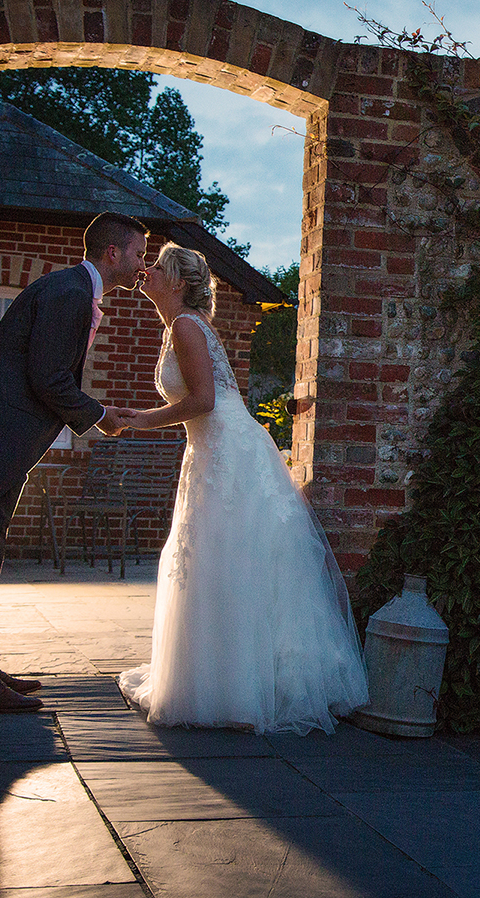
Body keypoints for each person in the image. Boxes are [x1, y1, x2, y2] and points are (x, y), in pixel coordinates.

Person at [117, 244, 369, 733]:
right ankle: (222, 680)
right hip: (213, 452)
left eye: (158, 267)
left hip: (227, 453)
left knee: (230, 557)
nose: (146, 271)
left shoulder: (187, 326)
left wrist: (143, 419)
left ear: (177, 282)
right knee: (219, 559)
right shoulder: (180, 327)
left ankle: (241, 686)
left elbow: (206, 401)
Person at [0, 212, 150, 712]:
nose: (143, 264)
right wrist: (100, 416)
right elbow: (47, 376)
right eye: (138, 253)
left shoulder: (71, 289)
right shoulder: (70, 293)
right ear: (112, 253)